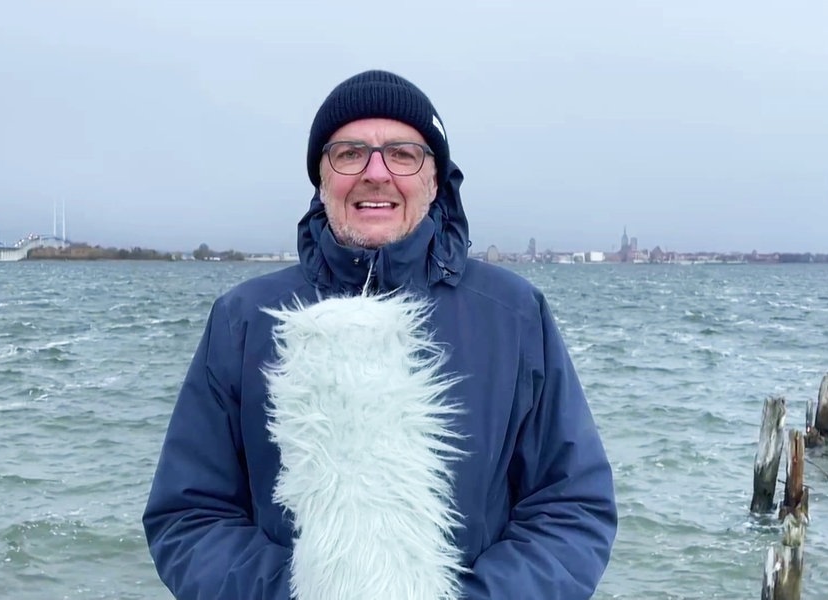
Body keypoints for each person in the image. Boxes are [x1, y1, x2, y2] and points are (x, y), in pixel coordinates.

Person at [143, 69, 617, 600]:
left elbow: (572, 504)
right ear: (321, 179)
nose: (376, 174)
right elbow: (188, 515)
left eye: (402, 153)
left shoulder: (514, 312)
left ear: (435, 179)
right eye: (349, 154)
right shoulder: (244, 318)